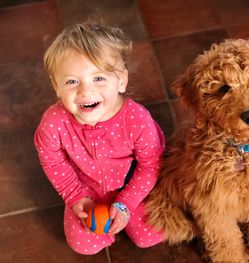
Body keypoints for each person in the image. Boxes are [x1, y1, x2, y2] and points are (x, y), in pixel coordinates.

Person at [34, 21, 165, 255]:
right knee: (84, 245)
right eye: (72, 81)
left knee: (151, 235)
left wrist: (126, 203)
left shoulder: (137, 120)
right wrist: (75, 195)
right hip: (86, 188)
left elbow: (150, 165)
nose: (85, 91)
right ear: (56, 86)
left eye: (99, 78)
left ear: (122, 80)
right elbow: (52, 162)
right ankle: (102, 224)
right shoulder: (53, 123)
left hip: (131, 184)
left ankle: (128, 213)